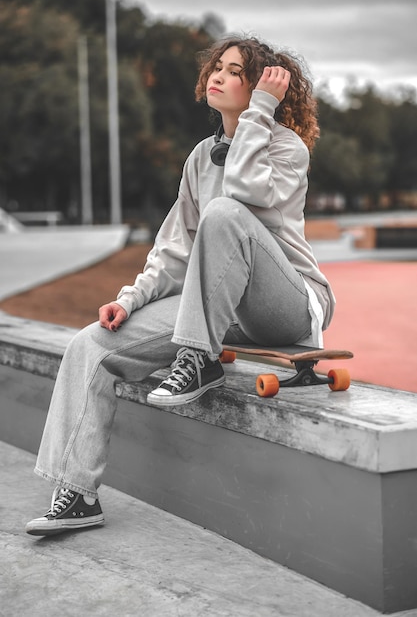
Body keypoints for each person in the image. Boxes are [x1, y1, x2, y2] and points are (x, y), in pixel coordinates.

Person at [25, 36, 335, 536]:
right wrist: (128, 300)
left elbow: (244, 193)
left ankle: (197, 359)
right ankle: (76, 492)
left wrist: (260, 112)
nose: (217, 74)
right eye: (217, 66)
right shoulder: (200, 158)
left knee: (225, 211)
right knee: (91, 345)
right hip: (214, 312)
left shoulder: (286, 147)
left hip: (287, 304)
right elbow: (173, 251)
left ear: (259, 88)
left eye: (235, 71)